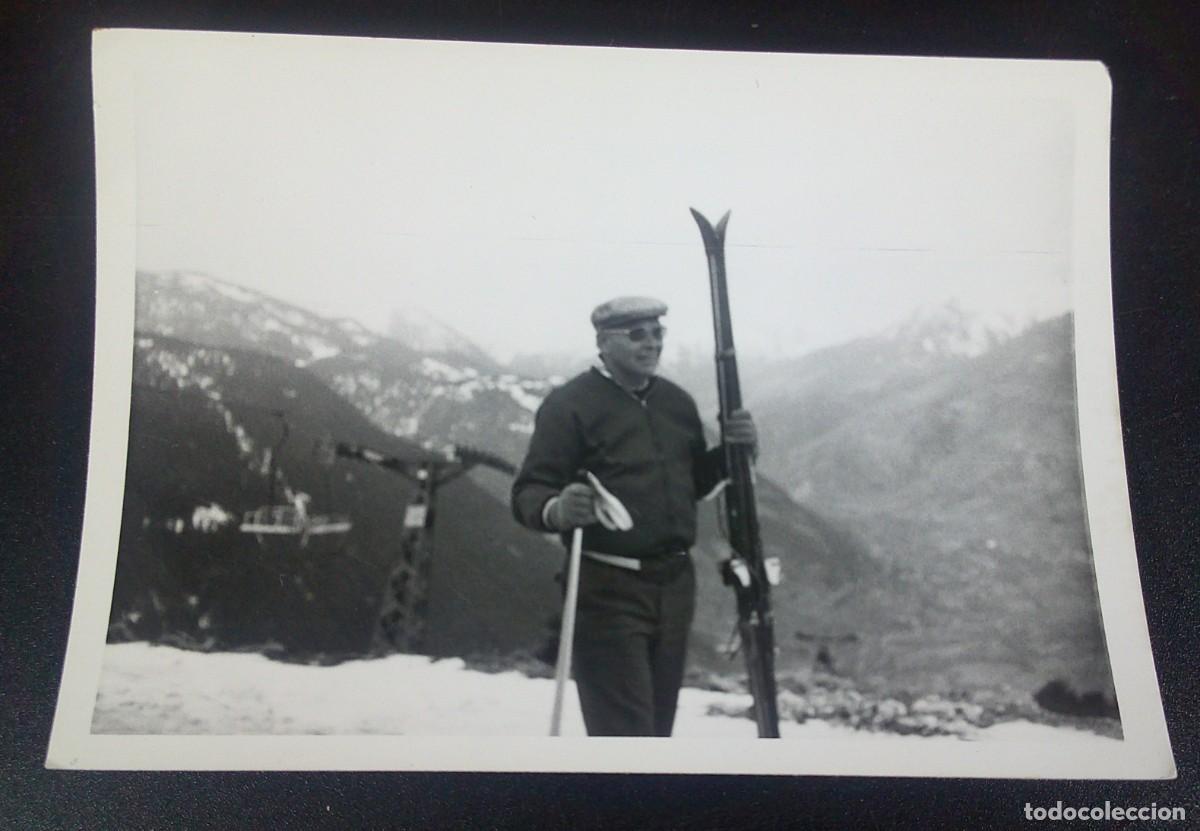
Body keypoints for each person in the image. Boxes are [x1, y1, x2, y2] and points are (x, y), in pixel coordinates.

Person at [511, 296, 757, 736]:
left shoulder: (676, 403)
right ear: (604, 343)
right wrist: (559, 509)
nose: (652, 344)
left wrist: (735, 454)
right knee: (625, 735)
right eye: (637, 335)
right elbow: (529, 492)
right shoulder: (569, 406)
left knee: (657, 732)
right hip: (607, 591)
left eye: (657, 333)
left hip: (676, 587)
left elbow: (692, 484)